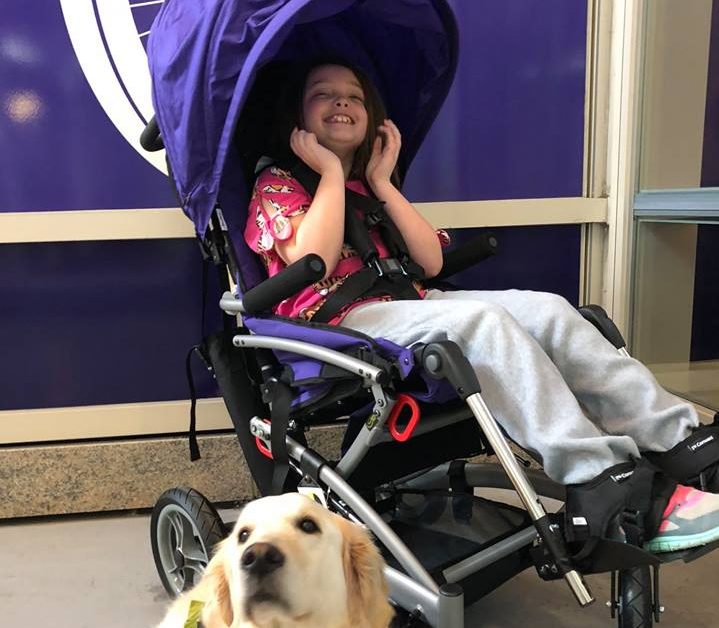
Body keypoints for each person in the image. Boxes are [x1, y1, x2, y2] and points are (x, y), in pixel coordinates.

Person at [244, 60, 719, 554]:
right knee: (482, 323)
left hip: (411, 303)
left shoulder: (370, 187)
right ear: (296, 115)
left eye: (355, 97)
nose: (342, 102)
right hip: (337, 323)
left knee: (550, 310)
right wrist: (328, 173)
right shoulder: (279, 183)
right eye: (324, 93)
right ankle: (598, 477)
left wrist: (382, 183)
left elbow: (427, 262)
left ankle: (683, 442)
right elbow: (314, 259)